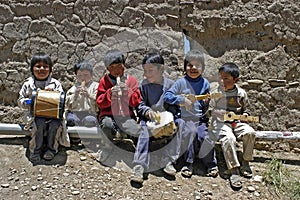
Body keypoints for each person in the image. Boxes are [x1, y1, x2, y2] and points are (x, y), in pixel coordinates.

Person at [130, 52, 184, 184]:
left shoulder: (171, 85)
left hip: (166, 120)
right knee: (143, 127)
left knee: (180, 123)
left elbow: (175, 106)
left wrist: (168, 116)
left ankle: (169, 160)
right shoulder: (143, 85)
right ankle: (139, 165)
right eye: (145, 71)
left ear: (161, 69)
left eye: (151, 71)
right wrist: (147, 111)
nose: (147, 74)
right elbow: (140, 105)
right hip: (149, 120)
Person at [164, 49, 218, 178]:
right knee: (190, 132)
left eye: (197, 65)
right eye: (190, 65)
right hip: (185, 119)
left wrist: (205, 102)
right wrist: (182, 100)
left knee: (205, 137)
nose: (193, 68)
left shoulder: (205, 83)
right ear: (185, 67)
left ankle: (211, 164)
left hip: (201, 119)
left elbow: (204, 105)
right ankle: (188, 163)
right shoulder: (181, 83)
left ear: (202, 68)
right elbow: (167, 96)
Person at [209, 62, 256, 189]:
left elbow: (246, 109)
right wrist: (217, 113)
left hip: (237, 121)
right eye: (220, 77)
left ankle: (245, 162)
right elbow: (210, 110)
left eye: (226, 78)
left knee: (250, 133)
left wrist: (245, 115)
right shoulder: (216, 93)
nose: (222, 81)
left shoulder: (241, 93)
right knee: (228, 138)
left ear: (236, 80)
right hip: (221, 123)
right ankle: (234, 170)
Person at [18, 52, 70, 163]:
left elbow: (61, 101)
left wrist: (53, 95)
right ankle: (35, 151)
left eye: (45, 67)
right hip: (34, 115)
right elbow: (20, 101)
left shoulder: (55, 84)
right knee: (38, 124)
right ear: (32, 69)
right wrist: (30, 102)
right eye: (38, 66)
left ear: (50, 69)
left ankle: (51, 149)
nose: (42, 69)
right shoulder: (28, 84)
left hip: (53, 115)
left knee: (55, 125)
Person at [95, 49, 141, 161]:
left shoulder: (131, 81)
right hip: (108, 115)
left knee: (136, 129)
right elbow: (99, 102)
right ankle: (107, 147)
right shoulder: (104, 81)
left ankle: (140, 152)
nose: (116, 70)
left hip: (126, 116)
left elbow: (136, 101)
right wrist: (109, 94)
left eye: (118, 66)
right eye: (112, 67)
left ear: (124, 66)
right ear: (107, 69)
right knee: (106, 125)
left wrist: (128, 93)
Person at [65, 60, 99, 128]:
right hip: (75, 113)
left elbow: (98, 102)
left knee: (90, 121)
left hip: (90, 113)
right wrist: (75, 95)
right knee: (70, 120)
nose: (83, 78)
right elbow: (67, 105)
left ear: (91, 75)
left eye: (86, 75)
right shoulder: (73, 88)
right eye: (79, 75)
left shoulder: (96, 86)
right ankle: (75, 138)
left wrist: (89, 95)